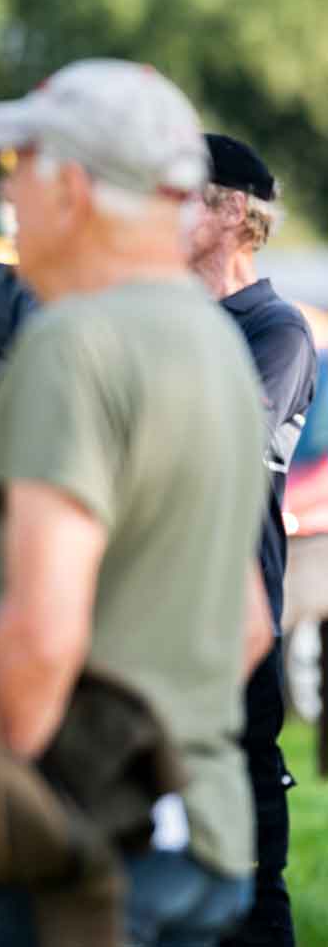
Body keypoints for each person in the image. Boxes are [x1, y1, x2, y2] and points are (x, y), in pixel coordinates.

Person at [0, 59, 277, 946]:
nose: (11, 201)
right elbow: (249, 621)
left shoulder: (75, 343)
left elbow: (42, 629)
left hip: (68, 862)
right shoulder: (214, 340)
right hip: (192, 834)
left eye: (16, 170)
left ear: (70, 187)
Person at [188, 132, 315, 947]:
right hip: (147, 656)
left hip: (232, 656)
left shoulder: (276, 331)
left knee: (245, 894)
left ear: (233, 209)